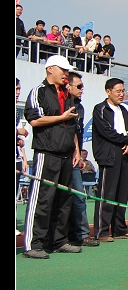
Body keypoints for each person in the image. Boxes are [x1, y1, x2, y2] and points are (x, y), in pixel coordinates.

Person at [22, 55, 82, 259]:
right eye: (63, 70)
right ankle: (33, 244)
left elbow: (72, 125)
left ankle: (59, 241)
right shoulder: (38, 91)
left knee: (64, 199)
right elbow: (35, 120)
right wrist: (61, 117)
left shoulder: (67, 94)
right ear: (50, 69)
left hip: (66, 154)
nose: (66, 74)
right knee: (42, 198)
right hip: (46, 153)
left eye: (67, 71)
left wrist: (76, 149)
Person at [91, 78, 128, 241]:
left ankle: (119, 229)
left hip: (124, 155)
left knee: (121, 194)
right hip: (108, 156)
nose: (121, 94)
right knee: (107, 194)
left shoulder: (124, 110)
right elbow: (107, 132)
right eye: (118, 91)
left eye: (123, 91)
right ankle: (102, 231)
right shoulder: (100, 109)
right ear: (108, 91)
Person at [66, 71, 100, 247]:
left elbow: (77, 133)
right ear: (68, 86)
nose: (82, 89)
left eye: (82, 86)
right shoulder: (61, 104)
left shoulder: (80, 107)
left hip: (74, 158)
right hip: (58, 156)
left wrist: (79, 154)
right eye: (79, 86)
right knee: (60, 198)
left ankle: (82, 234)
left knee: (79, 196)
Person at [16, 78, 29, 236]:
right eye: (16, 89)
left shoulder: (16, 112)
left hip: (17, 159)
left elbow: (21, 141)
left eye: (19, 89)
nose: (18, 92)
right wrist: (18, 132)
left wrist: (24, 159)